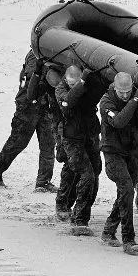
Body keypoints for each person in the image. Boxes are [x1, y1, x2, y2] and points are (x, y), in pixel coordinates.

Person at [0, 50, 59, 189]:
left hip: (45, 105)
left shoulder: (51, 56)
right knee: (18, 142)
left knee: (48, 145)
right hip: (28, 106)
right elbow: (31, 80)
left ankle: (43, 181)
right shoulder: (35, 56)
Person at [98, 72, 138, 255]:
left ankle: (108, 230)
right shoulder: (106, 102)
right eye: (121, 92)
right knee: (126, 189)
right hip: (113, 153)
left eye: (128, 92)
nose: (125, 96)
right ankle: (128, 239)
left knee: (126, 192)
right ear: (115, 88)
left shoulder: (135, 95)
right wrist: (134, 99)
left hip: (132, 151)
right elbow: (119, 121)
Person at [54, 64, 105, 235]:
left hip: (89, 134)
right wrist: (82, 82)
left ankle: (77, 208)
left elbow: (100, 91)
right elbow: (68, 102)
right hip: (71, 138)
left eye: (75, 83)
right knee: (82, 172)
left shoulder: (88, 85)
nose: (72, 86)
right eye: (71, 83)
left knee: (95, 172)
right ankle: (76, 214)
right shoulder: (61, 89)